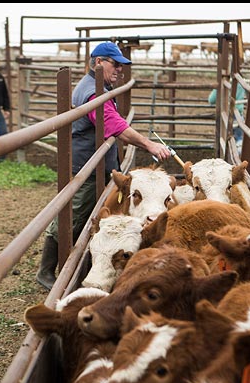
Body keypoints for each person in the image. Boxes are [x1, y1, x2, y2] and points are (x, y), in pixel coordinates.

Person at [36, 41, 171, 290]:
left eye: (122, 66)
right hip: (86, 166)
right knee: (74, 217)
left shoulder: (97, 87)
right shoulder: (93, 92)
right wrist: (149, 145)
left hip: (92, 163)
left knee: (87, 215)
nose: (120, 69)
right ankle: (46, 271)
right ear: (99, 62)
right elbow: (114, 126)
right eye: (115, 64)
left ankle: (80, 266)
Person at [208, 84, 246, 152]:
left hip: (226, 114)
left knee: (224, 140)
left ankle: (228, 158)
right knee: (239, 139)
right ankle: (238, 158)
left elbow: (211, 100)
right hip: (238, 115)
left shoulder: (221, 83)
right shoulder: (240, 83)